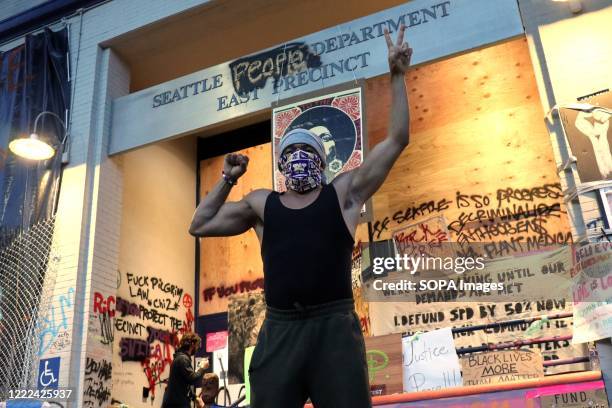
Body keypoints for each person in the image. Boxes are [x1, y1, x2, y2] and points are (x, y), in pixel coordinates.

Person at [189, 25, 412, 408]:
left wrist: (396, 76)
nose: (298, 156)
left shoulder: (344, 194)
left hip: (334, 330)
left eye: (306, 149)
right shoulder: (262, 205)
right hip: (281, 331)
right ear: (280, 164)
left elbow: (396, 140)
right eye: (290, 150)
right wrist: (227, 179)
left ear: (323, 162)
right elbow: (200, 224)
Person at [161, 332, 209, 408]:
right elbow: (192, 379)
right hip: (176, 404)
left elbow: (184, 384)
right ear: (192, 344)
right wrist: (202, 368)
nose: (197, 348)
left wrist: (195, 398)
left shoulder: (180, 358)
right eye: (197, 346)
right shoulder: (183, 359)